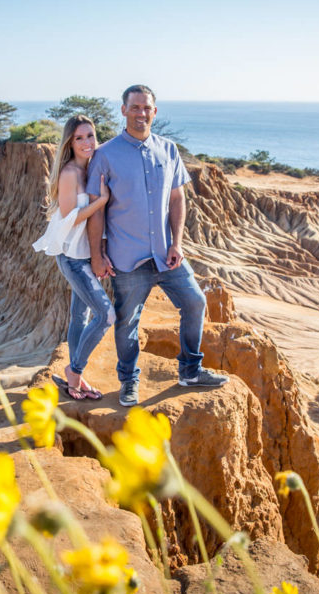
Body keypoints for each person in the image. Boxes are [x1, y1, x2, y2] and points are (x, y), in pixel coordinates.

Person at [86, 85, 228, 407]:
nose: (141, 113)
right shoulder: (105, 155)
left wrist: (177, 242)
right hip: (127, 258)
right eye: (134, 107)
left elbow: (178, 198)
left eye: (146, 108)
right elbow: (96, 211)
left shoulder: (169, 149)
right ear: (123, 110)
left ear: (154, 111)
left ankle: (190, 370)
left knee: (195, 302)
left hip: (167, 255)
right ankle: (128, 382)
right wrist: (98, 254)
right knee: (127, 322)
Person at [32, 115, 114, 400]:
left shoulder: (92, 168)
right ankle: (74, 371)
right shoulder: (69, 173)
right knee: (106, 315)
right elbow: (71, 219)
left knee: (80, 316)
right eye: (79, 138)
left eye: (90, 136)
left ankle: (76, 379)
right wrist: (100, 201)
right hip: (72, 258)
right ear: (70, 141)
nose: (86, 142)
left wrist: (101, 252)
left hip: (85, 255)